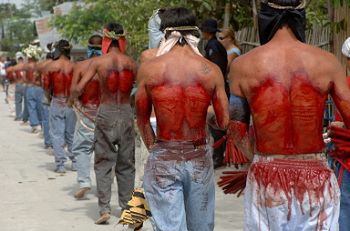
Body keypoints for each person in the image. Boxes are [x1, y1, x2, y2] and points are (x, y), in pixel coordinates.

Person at [227, 0, 349, 229]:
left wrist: (259, 160)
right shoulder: (327, 62)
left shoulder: (243, 65)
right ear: (300, 17)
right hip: (316, 176)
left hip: (266, 175)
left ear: (264, 17)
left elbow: (236, 129)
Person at [136, 7, 229, 231]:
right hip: (198, 154)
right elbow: (224, 121)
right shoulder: (211, 70)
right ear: (194, 33)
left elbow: (141, 120)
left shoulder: (150, 69)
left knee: (169, 226)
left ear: (165, 33)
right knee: (201, 226)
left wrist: (155, 149)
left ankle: (132, 220)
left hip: (164, 153)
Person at [71, 22, 136, 224]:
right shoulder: (132, 63)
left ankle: (104, 209)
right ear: (122, 40)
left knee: (103, 162)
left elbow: (79, 87)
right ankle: (126, 208)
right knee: (126, 163)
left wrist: (72, 100)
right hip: (126, 112)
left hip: (105, 112)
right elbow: (141, 93)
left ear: (106, 40)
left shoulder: (98, 63)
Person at [69, 34, 102, 199]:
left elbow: (75, 89)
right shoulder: (110, 67)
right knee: (105, 148)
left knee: (82, 148)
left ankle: (84, 182)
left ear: (88, 47)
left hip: (86, 113)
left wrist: (71, 101)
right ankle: (105, 182)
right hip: (108, 112)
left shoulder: (81, 66)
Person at [42, 40, 77, 174]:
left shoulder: (50, 67)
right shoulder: (74, 66)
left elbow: (46, 86)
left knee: (57, 134)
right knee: (71, 133)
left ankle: (60, 165)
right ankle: (74, 163)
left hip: (57, 100)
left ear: (58, 50)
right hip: (71, 103)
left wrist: (50, 98)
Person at [327, 36, 350, 231]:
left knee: (344, 206)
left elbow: (342, 123)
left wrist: (337, 126)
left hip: (347, 158)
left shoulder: (345, 85)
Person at [23, 45, 44, 133]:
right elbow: (43, 78)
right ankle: (42, 124)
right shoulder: (39, 65)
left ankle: (35, 125)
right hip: (39, 88)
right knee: (40, 106)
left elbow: (24, 78)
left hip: (29, 87)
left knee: (31, 107)